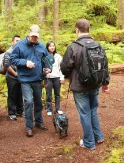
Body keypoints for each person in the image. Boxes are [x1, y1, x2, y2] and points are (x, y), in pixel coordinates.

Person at [60, 18, 110, 150]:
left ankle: (88, 142)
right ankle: (98, 137)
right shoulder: (98, 45)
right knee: (93, 111)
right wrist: (105, 82)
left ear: (77, 30)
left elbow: (65, 68)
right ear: (89, 29)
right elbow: (105, 65)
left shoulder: (73, 47)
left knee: (85, 113)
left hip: (80, 86)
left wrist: (68, 75)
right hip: (95, 84)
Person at [10, 25, 51, 137]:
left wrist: (47, 68)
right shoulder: (19, 45)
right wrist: (25, 62)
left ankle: (39, 122)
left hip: (37, 78)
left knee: (38, 102)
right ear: (29, 34)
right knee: (28, 101)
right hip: (25, 79)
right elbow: (12, 59)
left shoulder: (41, 46)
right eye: (32, 36)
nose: (34, 38)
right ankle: (29, 127)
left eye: (36, 37)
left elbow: (47, 59)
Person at [4, 35, 23, 121]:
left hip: (20, 76)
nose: (18, 42)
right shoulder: (9, 52)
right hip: (12, 76)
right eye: (16, 40)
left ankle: (20, 110)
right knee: (12, 94)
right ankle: (11, 112)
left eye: (19, 40)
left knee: (20, 94)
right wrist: (15, 74)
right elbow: (7, 65)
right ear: (13, 42)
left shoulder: (21, 51)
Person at [44, 41, 64, 116]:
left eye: (53, 46)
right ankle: (49, 109)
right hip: (48, 78)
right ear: (47, 47)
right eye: (50, 46)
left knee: (57, 94)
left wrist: (62, 77)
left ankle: (58, 108)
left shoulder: (58, 56)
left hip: (57, 77)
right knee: (48, 94)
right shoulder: (44, 56)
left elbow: (61, 67)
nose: (52, 47)